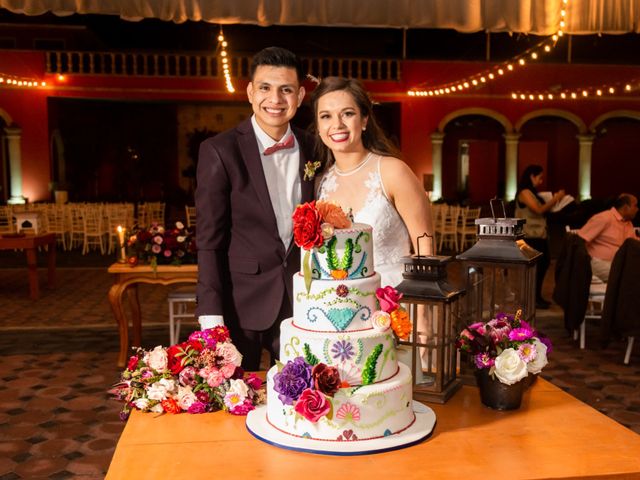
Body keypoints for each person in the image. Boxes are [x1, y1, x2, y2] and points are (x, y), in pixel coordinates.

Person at [195, 47, 315, 371]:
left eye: (286, 89)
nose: (275, 99)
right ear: (250, 92)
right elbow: (209, 239)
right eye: (265, 87)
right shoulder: (220, 151)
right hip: (239, 305)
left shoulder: (316, 147)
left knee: (298, 405)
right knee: (232, 406)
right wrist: (211, 316)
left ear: (300, 95)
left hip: (301, 303)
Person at [312, 77, 433, 287]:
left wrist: (423, 315)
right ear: (318, 126)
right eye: (326, 116)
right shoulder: (320, 183)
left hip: (395, 302)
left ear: (365, 119)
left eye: (348, 114)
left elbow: (427, 252)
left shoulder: (393, 171)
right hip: (340, 307)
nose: (337, 124)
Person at [515, 165, 565, 309]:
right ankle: (532, 298)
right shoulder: (525, 192)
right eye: (540, 177)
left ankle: (536, 296)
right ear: (532, 176)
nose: (541, 181)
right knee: (537, 266)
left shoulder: (532, 192)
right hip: (530, 235)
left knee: (542, 265)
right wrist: (556, 199)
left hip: (538, 235)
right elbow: (538, 210)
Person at [578, 193, 638, 282]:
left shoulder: (628, 223)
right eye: (635, 206)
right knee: (629, 275)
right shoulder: (604, 218)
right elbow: (579, 240)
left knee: (632, 273)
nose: (637, 209)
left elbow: (634, 244)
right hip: (599, 262)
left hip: (620, 264)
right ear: (626, 207)